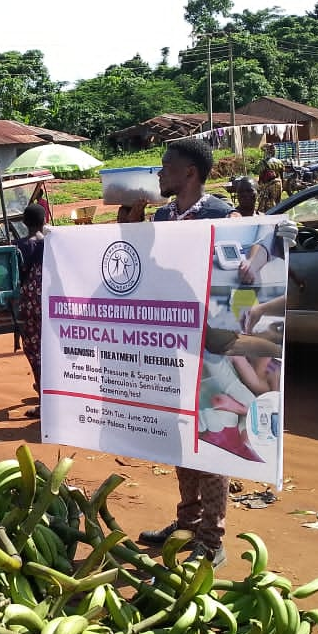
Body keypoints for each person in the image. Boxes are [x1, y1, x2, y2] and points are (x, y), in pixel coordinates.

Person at [136, 137, 236, 568]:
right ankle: (187, 521)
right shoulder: (161, 216)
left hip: (209, 348)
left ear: (189, 173)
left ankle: (212, 539)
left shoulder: (220, 215)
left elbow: (241, 273)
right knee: (179, 437)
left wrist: (266, 235)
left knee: (210, 438)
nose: (159, 173)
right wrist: (131, 231)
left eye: (166, 165)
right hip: (171, 346)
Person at [15, 204, 47, 400]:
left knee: (34, 349)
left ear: (24, 223)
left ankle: (43, 393)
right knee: (50, 348)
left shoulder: (19, 246)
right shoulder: (50, 242)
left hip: (29, 304)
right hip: (50, 302)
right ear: (44, 221)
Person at [256, 143, 285, 213]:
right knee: (278, 202)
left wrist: (259, 186)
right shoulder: (279, 161)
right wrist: (282, 185)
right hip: (279, 184)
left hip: (269, 185)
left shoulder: (263, 162)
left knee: (268, 204)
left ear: (266, 151)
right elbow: (282, 175)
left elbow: (261, 175)